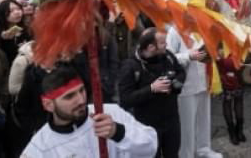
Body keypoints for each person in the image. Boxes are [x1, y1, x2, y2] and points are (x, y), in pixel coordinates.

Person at [22, 66, 158, 158]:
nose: (81, 100)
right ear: (48, 105)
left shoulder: (111, 113)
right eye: (69, 96)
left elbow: (151, 147)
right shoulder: (40, 147)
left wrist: (118, 133)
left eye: (82, 91)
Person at [118, 28, 184, 158]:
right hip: (148, 126)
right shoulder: (131, 66)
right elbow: (125, 99)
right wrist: (152, 88)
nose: (166, 44)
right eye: (162, 42)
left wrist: (175, 84)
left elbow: (181, 72)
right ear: (151, 47)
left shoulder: (168, 56)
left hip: (171, 120)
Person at [165, 25, 222, 158]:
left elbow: (210, 50)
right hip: (187, 85)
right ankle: (186, 154)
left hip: (204, 80)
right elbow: (167, 58)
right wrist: (188, 56)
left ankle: (203, 149)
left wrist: (216, 54)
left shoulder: (203, 27)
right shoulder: (175, 31)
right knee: (187, 126)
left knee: (204, 119)